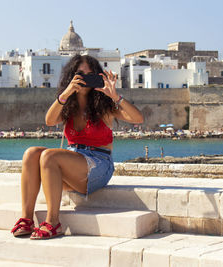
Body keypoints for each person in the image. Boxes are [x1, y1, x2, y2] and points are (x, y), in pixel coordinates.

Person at [11, 55, 143, 240]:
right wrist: (65, 93)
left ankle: (53, 222)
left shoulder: (104, 106)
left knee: (49, 156)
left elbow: (138, 118)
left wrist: (115, 96)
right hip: (72, 162)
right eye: (80, 74)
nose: (85, 78)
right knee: (31, 153)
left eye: (90, 74)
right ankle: (26, 218)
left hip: (99, 164)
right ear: (72, 76)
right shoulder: (68, 105)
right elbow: (49, 120)